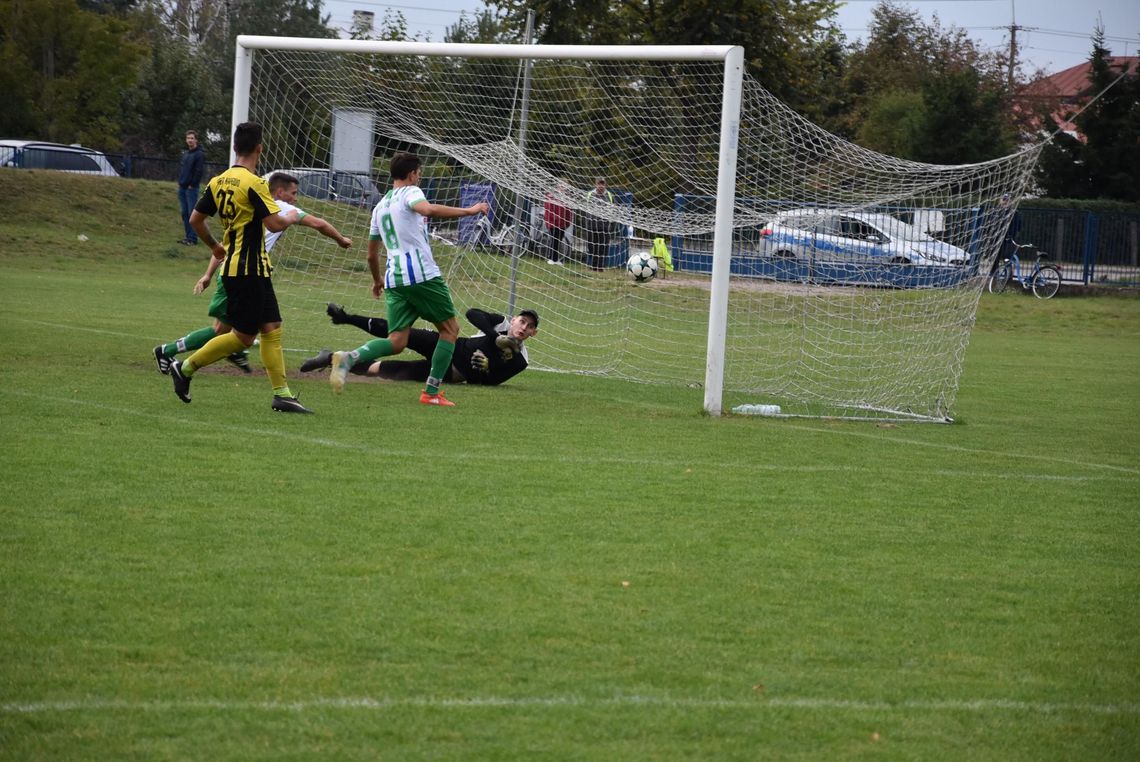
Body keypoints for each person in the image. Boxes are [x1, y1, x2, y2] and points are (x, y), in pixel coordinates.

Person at [328, 151, 489, 407]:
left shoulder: (379, 207)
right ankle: (431, 392)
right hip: (422, 275)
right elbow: (428, 209)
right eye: (420, 174)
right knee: (450, 330)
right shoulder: (411, 192)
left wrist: (377, 280)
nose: (420, 178)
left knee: (397, 341)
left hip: (394, 280)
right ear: (412, 174)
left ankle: (349, 358)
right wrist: (470, 210)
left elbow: (371, 254)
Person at [168, 122, 308, 413]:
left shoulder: (219, 181)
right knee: (241, 337)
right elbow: (273, 223)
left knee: (271, 328)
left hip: (244, 268)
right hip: (248, 270)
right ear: (259, 148)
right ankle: (186, 367)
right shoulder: (254, 183)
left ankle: (282, 394)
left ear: (234, 147)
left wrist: (215, 247)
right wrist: (292, 217)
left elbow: (195, 220)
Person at [154, 172, 352, 377]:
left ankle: (242, 357)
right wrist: (341, 239)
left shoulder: (252, 206)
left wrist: (208, 274)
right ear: (280, 192)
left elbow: (226, 245)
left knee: (258, 325)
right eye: (293, 193)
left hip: (241, 271)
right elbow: (318, 223)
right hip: (243, 273)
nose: (295, 198)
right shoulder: (282, 208)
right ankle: (168, 352)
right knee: (222, 330)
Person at [302, 304, 538, 386]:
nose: (523, 327)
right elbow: (472, 313)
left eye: (529, 327)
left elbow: (493, 381)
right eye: (522, 321)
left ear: (533, 334)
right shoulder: (500, 324)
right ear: (514, 318)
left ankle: (332, 358)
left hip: (450, 372)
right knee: (402, 333)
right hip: (449, 345)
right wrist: (494, 336)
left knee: (385, 370)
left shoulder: (521, 360)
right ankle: (346, 318)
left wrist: (485, 369)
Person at [177, 130, 206, 245]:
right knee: (184, 213)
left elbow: (198, 171)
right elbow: (183, 169)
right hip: (182, 187)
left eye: (192, 138)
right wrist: (180, 182)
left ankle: (193, 238)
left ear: (196, 140)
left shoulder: (199, 154)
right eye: (188, 138)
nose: (190, 140)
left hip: (191, 189)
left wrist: (192, 184)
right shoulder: (186, 154)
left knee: (191, 213)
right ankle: (187, 236)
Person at [581, 176, 615, 271]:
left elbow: (613, 209)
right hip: (592, 225)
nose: (601, 186)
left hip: (604, 226)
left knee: (602, 247)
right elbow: (585, 209)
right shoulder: (590, 194)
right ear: (595, 184)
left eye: (602, 184)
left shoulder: (609, 195)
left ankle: (600, 267)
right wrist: (587, 222)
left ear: (605, 184)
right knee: (592, 247)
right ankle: (593, 265)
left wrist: (611, 223)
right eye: (599, 183)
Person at [542, 181, 572, 265]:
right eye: (561, 186)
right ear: (557, 187)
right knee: (554, 240)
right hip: (553, 223)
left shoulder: (567, 198)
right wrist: (552, 221)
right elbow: (549, 210)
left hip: (562, 224)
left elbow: (569, 211)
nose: (563, 188)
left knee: (558, 240)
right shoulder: (551, 197)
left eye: (565, 186)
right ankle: (552, 259)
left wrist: (568, 222)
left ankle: (554, 258)